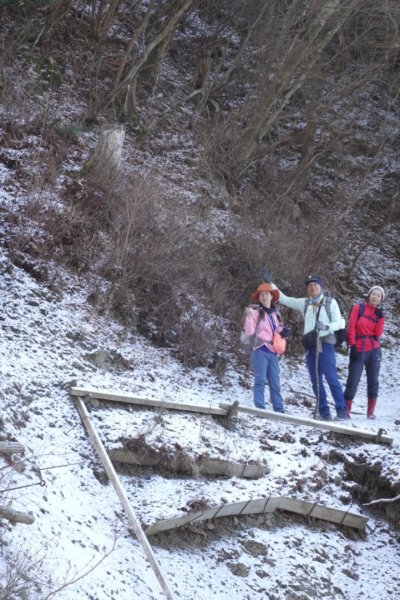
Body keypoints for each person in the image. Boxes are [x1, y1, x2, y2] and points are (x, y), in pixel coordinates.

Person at [272, 275, 348, 421]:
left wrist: (327, 326)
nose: (313, 287)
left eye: (315, 284)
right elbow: (285, 299)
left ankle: (342, 411)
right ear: (307, 289)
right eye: (310, 285)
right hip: (310, 346)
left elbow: (340, 323)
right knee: (315, 380)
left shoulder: (330, 303)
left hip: (325, 344)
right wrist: (270, 283)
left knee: (331, 378)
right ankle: (324, 412)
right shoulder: (305, 303)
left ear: (321, 286)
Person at [243, 283, 286, 412]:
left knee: (275, 382)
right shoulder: (256, 312)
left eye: (266, 294)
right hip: (260, 349)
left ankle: (278, 409)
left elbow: (279, 330)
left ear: (272, 296)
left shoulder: (276, 313)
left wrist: (285, 332)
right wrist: (249, 317)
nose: (264, 297)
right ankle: (260, 407)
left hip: (273, 351)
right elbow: (249, 332)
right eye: (261, 295)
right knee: (260, 379)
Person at [344, 285, 385, 419]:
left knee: (373, 381)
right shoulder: (358, 308)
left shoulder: (378, 314)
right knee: (353, 379)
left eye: (379, 296)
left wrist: (381, 318)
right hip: (359, 348)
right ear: (369, 295)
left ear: (381, 300)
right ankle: (346, 411)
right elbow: (351, 327)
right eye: (374, 294)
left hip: (374, 350)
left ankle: (370, 413)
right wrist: (352, 344)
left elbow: (378, 333)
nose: (375, 297)